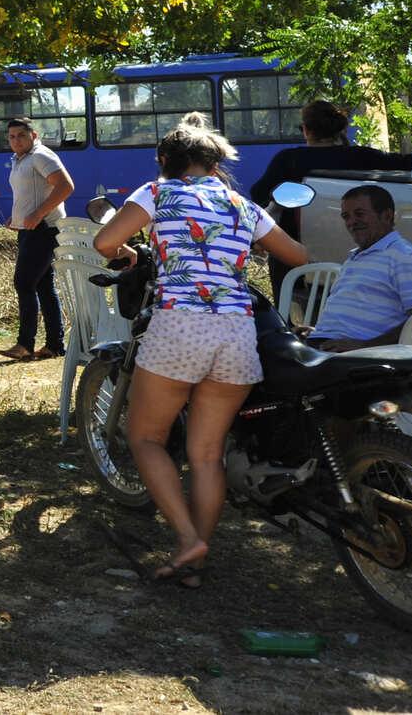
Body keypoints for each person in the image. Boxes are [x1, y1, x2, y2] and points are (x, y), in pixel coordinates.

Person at [92, 115, 309, 585]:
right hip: (237, 332)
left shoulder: (155, 192)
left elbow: (105, 240)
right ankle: (196, 562)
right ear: (213, 164)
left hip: (180, 327)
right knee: (207, 453)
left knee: (147, 438)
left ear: (164, 162)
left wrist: (129, 252)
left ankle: (189, 539)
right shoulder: (241, 204)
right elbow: (297, 256)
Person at [249, 100, 396, 299]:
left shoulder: (289, 159)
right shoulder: (363, 156)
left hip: (297, 259)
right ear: (339, 129)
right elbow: (407, 161)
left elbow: (258, 193)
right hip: (357, 251)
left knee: (290, 311)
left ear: (307, 130)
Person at [305, 185, 412, 350]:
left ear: (387, 216)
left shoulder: (403, 255)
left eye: (359, 214)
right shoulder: (357, 256)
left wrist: (365, 346)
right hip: (325, 345)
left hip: (358, 360)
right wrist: (319, 332)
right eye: (346, 216)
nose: (351, 222)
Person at [0, 117, 75, 362]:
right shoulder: (21, 159)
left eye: (21, 135)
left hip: (45, 229)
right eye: (11, 137)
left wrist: (37, 214)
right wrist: (18, 217)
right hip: (29, 229)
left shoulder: (42, 155)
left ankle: (25, 345)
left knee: (24, 283)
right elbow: (30, 193)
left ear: (33, 135)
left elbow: (65, 186)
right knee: (43, 285)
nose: (15, 141)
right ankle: (55, 345)